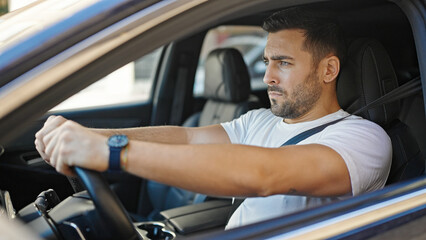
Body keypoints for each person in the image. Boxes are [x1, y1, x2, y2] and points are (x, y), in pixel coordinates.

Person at [34, 7, 392, 229]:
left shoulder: (364, 139)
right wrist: (88, 136)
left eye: (283, 63)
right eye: (267, 62)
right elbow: (187, 138)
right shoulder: (259, 121)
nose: (267, 77)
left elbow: (264, 175)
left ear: (329, 69)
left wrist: (113, 151)